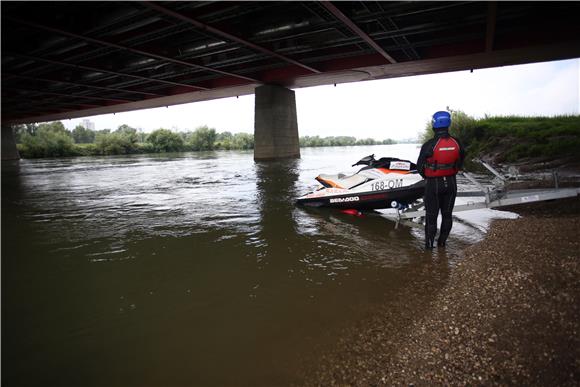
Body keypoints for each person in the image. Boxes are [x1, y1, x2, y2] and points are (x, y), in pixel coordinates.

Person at [417, 111, 465, 249]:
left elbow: (420, 167)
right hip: (451, 183)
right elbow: (460, 162)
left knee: (431, 218)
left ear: (434, 124)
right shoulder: (457, 142)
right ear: (448, 123)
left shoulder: (429, 144)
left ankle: (429, 248)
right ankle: (442, 244)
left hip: (434, 184)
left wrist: (429, 176)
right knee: (447, 215)